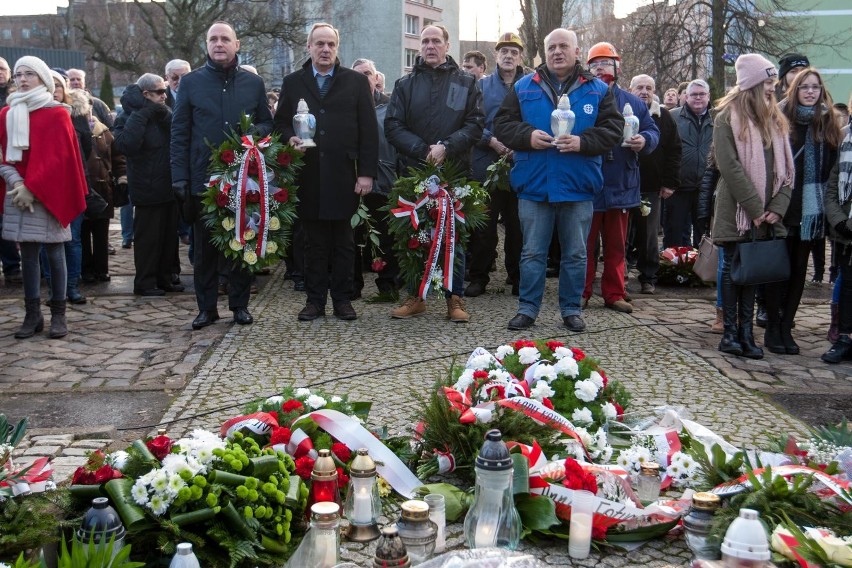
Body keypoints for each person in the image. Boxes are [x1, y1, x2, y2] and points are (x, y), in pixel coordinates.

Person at [494, 28, 622, 332]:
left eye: (564, 46)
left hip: (578, 185)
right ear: (544, 52)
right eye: (552, 47)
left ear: (577, 52)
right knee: (533, 252)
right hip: (534, 183)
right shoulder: (524, 87)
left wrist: (583, 142)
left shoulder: (598, 90)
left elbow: (614, 130)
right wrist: (526, 136)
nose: (557, 52)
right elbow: (502, 123)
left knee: (576, 253)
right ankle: (527, 309)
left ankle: (571, 309)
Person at [171, 21, 273, 329]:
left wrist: (253, 133)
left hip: (243, 177)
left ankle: (239, 305)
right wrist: (179, 177)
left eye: (225, 39)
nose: (219, 43)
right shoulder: (191, 82)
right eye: (213, 39)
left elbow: (267, 124)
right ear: (206, 45)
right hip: (203, 179)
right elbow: (179, 132)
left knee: (242, 242)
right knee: (203, 249)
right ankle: (206, 308)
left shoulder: (252, 84)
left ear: (236, 44)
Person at [273, 23, 378, 321]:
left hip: (346, 174)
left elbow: (369, 131)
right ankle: (314, 300)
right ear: (309, 47)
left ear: (337, 47)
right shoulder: (294, 82)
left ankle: (343, 300)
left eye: (331, 44)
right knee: (312, 242)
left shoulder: (356, 82)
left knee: (344, 242)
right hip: (308, 175)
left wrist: (366, 173)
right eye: (319, 44)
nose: (325, 49)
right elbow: (280, 123)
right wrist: (288, 139)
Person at [385, 24, 484, 322]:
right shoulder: (404, 84)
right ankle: (416, 297)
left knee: (455, 237)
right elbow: (392, 125)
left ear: (446, 45)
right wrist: (422, 149)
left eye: (435, 41)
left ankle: (455, 299)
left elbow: (475, 124)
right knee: (414, 235)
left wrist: (446, 147)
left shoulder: (466, 82)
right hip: (414, 171)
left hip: (454, 171)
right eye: (425, 40)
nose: (430, 46)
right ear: (419, 46)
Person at [712, 53, 794, 360]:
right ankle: (730, 334)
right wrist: (756, 209)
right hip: (738, 213)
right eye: (768, 82)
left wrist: (777, 207)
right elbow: (730, 167)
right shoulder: (725, 118)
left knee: (753, 276)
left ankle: (747, 333)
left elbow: (787, 172)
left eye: (773, 82)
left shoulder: (775, 121)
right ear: (752, 85)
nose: (773, 88)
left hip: (765, 214)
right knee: (735, 273)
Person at [0, 56, 87, 339]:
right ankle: (32, 314)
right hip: (18, 194)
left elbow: (60, 160)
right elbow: (3, 158)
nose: (23, 79)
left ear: (43, 79)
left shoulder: (57, 113)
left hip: (49, 193)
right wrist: (17, 183)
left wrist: (32, 188)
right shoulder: (6, 114)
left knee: (54, 252)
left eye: (30, 74)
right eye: (18, 74)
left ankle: (58, 313)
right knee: (27, 255)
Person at [769, 68, 841, 354]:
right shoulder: (780, 118)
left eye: (815, 87)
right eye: (805, 87)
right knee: (778, 271)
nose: (810, 92)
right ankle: (772, 327)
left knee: (799, 270)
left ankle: (787, 327)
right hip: (783, 205)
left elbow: (831, 168)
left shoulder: (827, 122)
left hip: (810, 210)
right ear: (794, 89)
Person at [583, 43, 659, 313]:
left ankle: (614, 292)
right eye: (595, 63)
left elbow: (652, 130)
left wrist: (645, 140)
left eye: (606, 62)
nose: (601, 67)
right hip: (589, 183)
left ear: (618, 67)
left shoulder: (633, 102)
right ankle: (581, 292)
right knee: (584, 245)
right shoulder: (582, 97)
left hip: (621, 183)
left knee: (616, 245)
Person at [466, 31, 525, 298]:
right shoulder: (481, 86)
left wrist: (519, 144)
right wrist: (492, 142)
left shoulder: (532, 84)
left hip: (522, 165)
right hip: (486, 164)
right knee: (484, 227)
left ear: (520, 56)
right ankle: (479, 277)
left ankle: (518, 277)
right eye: (504, 51)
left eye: (514, 51)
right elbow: (471, 122)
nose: (509, 56)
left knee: (519, 227)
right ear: (496, 56)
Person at [116, 73, 185, 297]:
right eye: (159, 92)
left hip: (168, 185)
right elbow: (127, 145)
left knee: (168, 238)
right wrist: (143, 113)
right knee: (148, 239)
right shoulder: (128, 115)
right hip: (146, 186)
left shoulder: (163, 111)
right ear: (146, 94)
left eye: (164, 90)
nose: (164, 95)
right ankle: (145, 282)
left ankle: (166, 278)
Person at [351, 57, 399, 301]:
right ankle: (353, 284)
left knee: (385, 236)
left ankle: (388, 282)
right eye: (357, 74)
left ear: (376, 78)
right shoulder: (345, 108)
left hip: (384, 182)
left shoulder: (390, 109)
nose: (363, 78)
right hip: (351, 185)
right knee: (352, 237)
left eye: (367, 73)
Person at [630, 74, 682, 295]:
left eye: (648, 88)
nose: (644, 91)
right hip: (623, 184)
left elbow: (674, 150)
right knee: (621, 233)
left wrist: (669, 183)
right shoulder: (620, 111)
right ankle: (618, 274)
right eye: (639, 87)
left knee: (649, 235)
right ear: (630, 90)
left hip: (650, 186)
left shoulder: (664, 117)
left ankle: (648, 277)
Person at [75, 89, 124, 285]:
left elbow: (117, 157)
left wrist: (122, 178)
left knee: (101, 234)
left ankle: (102, 269)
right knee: (84, 233)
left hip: (104, 189)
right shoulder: (75, 129)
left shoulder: (103, 131)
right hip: (83, 188)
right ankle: (86, 270)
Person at [667, 79, 713, 248]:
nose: (698, 98)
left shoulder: (719, 118)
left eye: (702, 94)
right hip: (678, 187)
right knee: (675, 233)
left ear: (708, 96)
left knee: (704, 235)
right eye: (694, 94)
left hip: (706, 187)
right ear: (686, 97)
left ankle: (702, 271)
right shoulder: (673, 116)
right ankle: (673, 270)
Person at [821, 122, 852, 363]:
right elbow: (832, 189)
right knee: (848, 283)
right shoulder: (844, 138)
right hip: (847, 231)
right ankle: (844, 337)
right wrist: (840, 223)